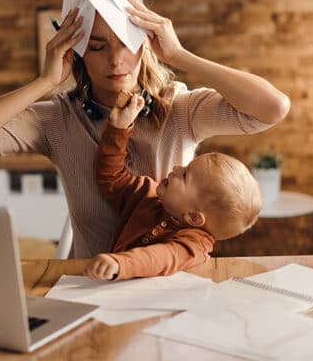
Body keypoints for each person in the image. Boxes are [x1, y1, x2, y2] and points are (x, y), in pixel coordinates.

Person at [0, 0, 290, 258]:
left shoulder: (180, 108)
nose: (116, 60)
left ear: (144, 42)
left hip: (172, 289)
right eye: (97, 46)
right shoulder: (57, 120)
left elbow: (273, 108)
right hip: (90, 290)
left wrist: (180, 56)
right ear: (77, 53)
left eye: (126, 42)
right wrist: (44, 82)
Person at [85, 93, 261, 280]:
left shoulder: (194, 245)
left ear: (194, 217)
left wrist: (120, 264)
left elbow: (161, 258)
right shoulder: (145, 194)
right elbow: (110, 176)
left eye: (185, 175)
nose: (177, 168)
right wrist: (118, 128)